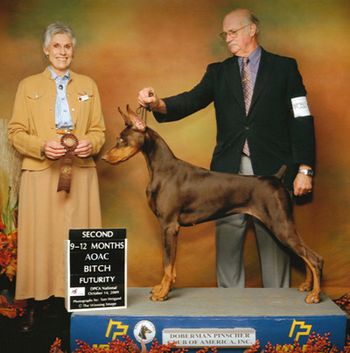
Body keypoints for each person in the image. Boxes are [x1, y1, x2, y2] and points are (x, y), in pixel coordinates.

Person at [138, 9, 315, 289]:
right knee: (229, 240)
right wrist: (158, 104)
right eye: (225, 34)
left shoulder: (284, 68)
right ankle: (229, 303)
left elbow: (302, 118)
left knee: (275, 239)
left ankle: (277, 302)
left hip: (273, 169)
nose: (227, 38)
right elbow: (191, 100)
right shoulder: (218, 72)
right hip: (227, 169)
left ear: (252, 30)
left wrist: (305, 167)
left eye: (232, 32)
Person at [8, 22, 105, 331]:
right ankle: (36, 305)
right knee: (39, 239)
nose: (62, 51)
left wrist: (93, 143)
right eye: (57, 46)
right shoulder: (28, 86)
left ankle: (78, 304)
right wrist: (40, 146)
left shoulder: (89, 85)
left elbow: (99, 131)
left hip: (81, 170)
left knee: (77, 236)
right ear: (46, 49)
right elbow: (15, 132)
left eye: (67, 46)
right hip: (40, 171)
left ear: (72, 50)